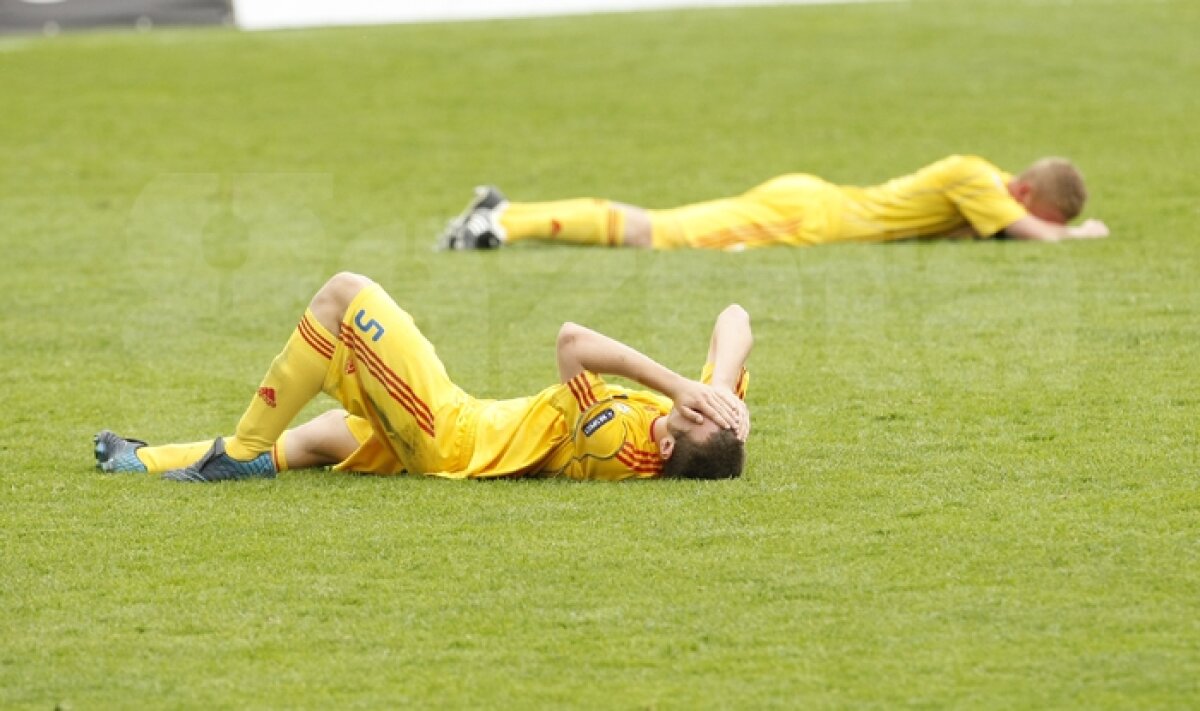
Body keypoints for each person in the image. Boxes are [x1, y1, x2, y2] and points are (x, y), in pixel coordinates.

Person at [94, 272, 752, 482]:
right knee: (323, 434)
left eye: (695, 410)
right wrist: (719, 384)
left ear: (667, 448)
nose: (693, 400)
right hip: (456, 437)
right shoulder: (697, 425)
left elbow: (572, 342)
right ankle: (140, 462)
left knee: (344, 297)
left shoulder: (617, 441)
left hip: (451, 434)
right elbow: (736, 315)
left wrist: (678, 381)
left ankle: (236, 452)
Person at [437, 155, 1110, 252]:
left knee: (658, 230)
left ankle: (502, 214)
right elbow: (1031, 235)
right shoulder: (980, 180)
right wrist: (1075, 238)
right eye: (1041, 214)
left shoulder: (982, 185)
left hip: (811, 208)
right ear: (1024, 193)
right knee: (657, 233)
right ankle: (502, 219)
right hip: (805, 215)